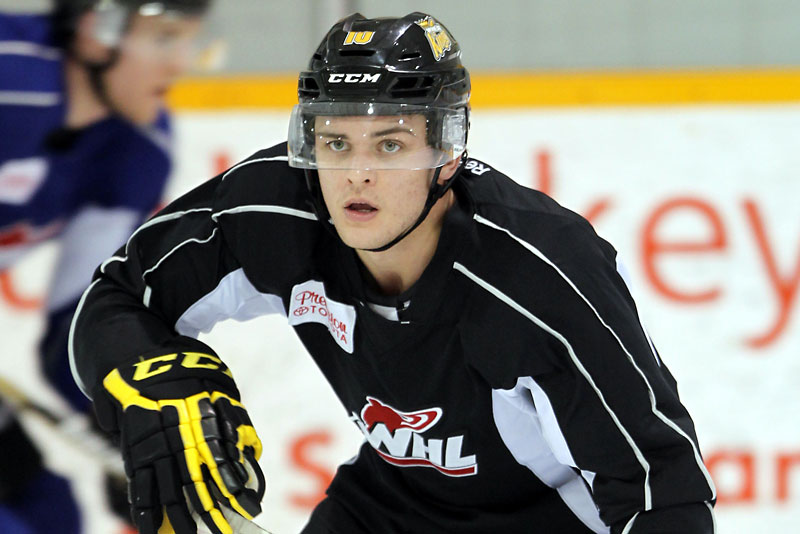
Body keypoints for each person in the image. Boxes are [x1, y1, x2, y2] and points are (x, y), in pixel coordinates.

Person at [69, 12, 717, 534]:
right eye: (334, 141)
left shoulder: (536, 271)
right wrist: (149, 379)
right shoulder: (277, 210)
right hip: (389, 505)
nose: (356, 173)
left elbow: (661, 484)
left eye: (390, 144)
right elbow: (120, 292)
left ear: (446, 152)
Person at [0, 0, 212, 532]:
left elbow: (75, 328)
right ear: (98, 31)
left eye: (189, 40)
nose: (180, 63)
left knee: (48, 514)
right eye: (164, 38)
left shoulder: (135, 151)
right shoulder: (11, 72)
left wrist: (131, 427)